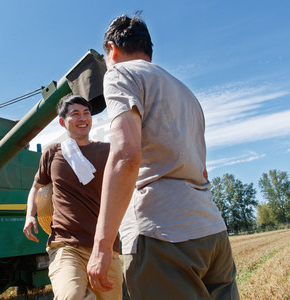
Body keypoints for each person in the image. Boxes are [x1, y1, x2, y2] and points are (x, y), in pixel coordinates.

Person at [87, 14, 239, 299]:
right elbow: (203, 171)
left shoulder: (120, 74)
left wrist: (102, 245)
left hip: (162, 235)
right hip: (212, 232)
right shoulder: (185, 92)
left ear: (111, 49)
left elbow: (126, 156)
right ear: (148, 49)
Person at [23, 94, 123, 300]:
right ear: (62, 121)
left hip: (105, 247)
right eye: (75, 114)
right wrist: (29, 216)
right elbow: (36, 187)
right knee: (71, 296)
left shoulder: (106, 151)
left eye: (86, 113)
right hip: (66, 245)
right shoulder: (52, 153)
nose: (82, 118)